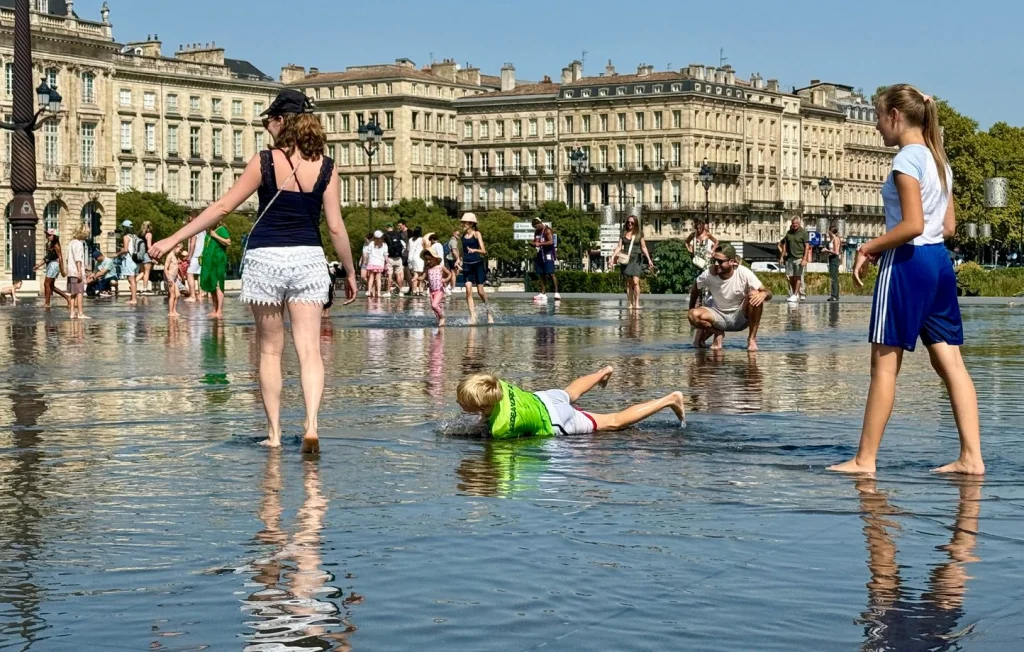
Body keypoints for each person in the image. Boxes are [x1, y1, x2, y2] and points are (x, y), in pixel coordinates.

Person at [150, 88, 357, 455]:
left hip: (266, 259)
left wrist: (172, 238)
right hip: (308, 258)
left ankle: (275, 434)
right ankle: (311, 424)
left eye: (269, 122)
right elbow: (337, 228)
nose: (267, 128)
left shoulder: (264, 161)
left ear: (281, 122)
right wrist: (351, 272)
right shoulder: (326, 167)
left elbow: (222, 208)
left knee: (269, 352)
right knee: (309, 351)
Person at [828, 84, 983, 476]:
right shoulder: (939, 161)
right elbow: (947, 227)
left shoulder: (905, 161)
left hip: (907, 264)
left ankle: (864, 460)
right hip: (939, 265)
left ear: (895, 115)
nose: (878, 128)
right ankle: (971, 457)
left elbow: (911, 225)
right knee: (952, 364)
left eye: (879, 118)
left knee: (884, 367)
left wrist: (869, 248)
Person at [456, 366, 685, 439]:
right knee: (570, 393)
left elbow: (489, 427)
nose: (458, 403)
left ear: (479, 406)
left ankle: (669, 399)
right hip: (545, 398)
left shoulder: (500, 428)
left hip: (558, 421)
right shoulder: (497, 386)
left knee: (613, 421)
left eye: (462, 402)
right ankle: (603, 371)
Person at [687, 243, 771, 351]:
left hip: (740, 317)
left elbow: (768, 292)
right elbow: (695, 290)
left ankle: (752, 339)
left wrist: (763, 294)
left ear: (732, 262)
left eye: (720, 261)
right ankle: (718, 333)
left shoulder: (743, 272)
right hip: (718, 317)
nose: (716, 264)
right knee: (692, 315)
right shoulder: (708, 274)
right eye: (714, 260)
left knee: (754, 294)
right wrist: (691, 309)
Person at [607, 214, 653, 311]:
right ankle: (630, 303)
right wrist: (612, 257)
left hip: (636, 259)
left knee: (635, 282)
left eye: (632, 222)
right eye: (628, 222)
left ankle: (636, 303)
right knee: (628, 283)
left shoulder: (639, 233)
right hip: (626, 260)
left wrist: (649, 259)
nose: (630, 224)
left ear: (635, 223)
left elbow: (643, 247)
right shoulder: (623, 233)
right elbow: (619, 247)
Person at [458, 213, 491, 321]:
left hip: (477, 265)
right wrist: (459, 259)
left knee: (480, 292)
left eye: (465, 222)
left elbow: (484, 251)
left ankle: (489, 312)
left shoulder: (477, 234)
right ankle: (472, 315)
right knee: (468, 291)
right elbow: (463, 251)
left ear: (471, 224)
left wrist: (475, 250)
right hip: (467, 266)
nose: (463, 224)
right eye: (462, 222)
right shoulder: (463, 236)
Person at [199, 220, 231, 318]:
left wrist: (216, 236)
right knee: (211, 285)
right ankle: (214, 309)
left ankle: (219, 310)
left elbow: (228, 242)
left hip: (218, 261)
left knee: (218, 284)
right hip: (209, 262)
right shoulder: (209, 232)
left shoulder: (221, 230)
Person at [34, 228, 70, 309]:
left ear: (55, 236)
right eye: (47, 234)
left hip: (54, 265)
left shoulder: (56, 246)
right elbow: (47, 257)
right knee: (51, 286)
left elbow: (60, 258)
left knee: (46, 283)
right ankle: (67, 298)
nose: (47, 236)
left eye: (49, 235)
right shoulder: (49, 245)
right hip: (50, 264)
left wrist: (62, 270)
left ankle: (47, 303)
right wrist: (38, 265)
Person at [779, 217, 810, 303]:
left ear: (799, 223)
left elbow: (807, 246)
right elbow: (784, 246)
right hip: (790, 258)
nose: (794, 225)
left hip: (799, 257)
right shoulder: (789, 233)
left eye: (796, 223)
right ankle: (794, 294)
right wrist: (782, 256)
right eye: (793, 223)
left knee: (798, 276)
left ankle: (796, 294)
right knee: (791, 277)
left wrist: (805, 258)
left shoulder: (803, 233)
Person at [531, 216, 560, 302]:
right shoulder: (537, 232)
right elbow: (535, 241)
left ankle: (556, 292)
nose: (536, 228)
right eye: (535, 227)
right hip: (540, 254)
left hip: (548, 254)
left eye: (537, 226)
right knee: (541, 274)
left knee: (551, 274)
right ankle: (543, 293)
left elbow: (551, 242)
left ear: (540, 223)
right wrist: (533, 243)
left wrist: (540, 244)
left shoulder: (547, 230)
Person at [422, 249, 454, 327]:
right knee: (434, 308)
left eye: (429, 259)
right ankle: (440, 321)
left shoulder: (440, 267)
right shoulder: (428, 269)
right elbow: (422, 277)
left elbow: (450, 273)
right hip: (431, 291)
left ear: (435, 258)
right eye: (426, 260)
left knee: (434, 305)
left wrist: (446, 279)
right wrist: (416, 278)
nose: (428, 261)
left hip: (439, 290)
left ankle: (442, 317)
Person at [64, 224, 90, 319]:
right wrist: (79, 271)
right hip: (76, 272)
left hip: (71, 272)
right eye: (86, 233)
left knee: (72, 293)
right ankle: (80, 313)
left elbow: (67, 258)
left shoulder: (71, 243)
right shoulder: (79, 244)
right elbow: (78, 259)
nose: (87, 235)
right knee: (79, 293)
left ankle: (72, 313)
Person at [117, 219, 140, 305]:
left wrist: (118, 253)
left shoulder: (126, 237)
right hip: (136, 260)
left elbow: (126, 250)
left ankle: (133, 299)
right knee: (133, 280)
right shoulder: (135, 237)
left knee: (131, 280)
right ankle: (133, 297)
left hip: (129, 260)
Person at [185, 211, 204, 302]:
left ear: (193, 218)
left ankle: (192, 296)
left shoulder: (194, 228)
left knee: (189, 274)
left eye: (189, 217)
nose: (188, 219)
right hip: (202, 255)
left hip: (195, 256)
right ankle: (200, 294)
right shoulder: (203, 229)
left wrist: (189, 256)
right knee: (200, 275)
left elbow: (192, 243)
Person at [383, 223, 406, 295]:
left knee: (390, 275)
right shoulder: (398, 234)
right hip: (398, 257)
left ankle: (388, 292)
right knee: (398, 274)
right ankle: (401, 292)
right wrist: (401, 253)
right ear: (392, 227)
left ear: (386, 228)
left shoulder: (385, 235)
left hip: (390, 257)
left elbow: (384, 247)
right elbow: (404, 245)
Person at [365, 230, 388, 298]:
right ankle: (378, 292)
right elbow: (385, 255)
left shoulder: (372, 243)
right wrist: (387, 263)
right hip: (380, 263)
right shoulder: (384, 245)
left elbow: (368, 253)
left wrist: (366, 261)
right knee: (378, 278)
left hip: (372, 262)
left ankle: (369, 291)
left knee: (371, 277)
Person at [165, 242, 184, 317]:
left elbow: (175, 267)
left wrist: (178, 275)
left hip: (175, 278)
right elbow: (165, 268)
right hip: (170, 277)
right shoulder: (169, 256)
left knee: (178, 294)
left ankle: (174, 310)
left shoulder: (174, 256)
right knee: (172, 295)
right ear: (176, 247)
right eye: (180, 249)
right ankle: (170, 311)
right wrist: (168, 278)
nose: (180, 251)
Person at [407, 226, 425, 296]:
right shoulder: (421, 239)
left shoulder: (410, 239)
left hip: (410, 258)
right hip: (418, 258)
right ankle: (415, 290)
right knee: (417, 275)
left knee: (417, 274)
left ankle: (419, 289)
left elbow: (408, 249)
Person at [826, 225, 842, 302]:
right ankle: (834, 295)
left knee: (834, 277)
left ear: (830, 231)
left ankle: (834, 295)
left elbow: (836, 252)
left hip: (834, 259)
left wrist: (826, 250)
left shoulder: (835, 239)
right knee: (833, 277)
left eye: (828, 231)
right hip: (832, 258)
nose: (827, 232)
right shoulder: (833, 239)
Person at [138, 220, 155, 293]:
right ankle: (145, 288)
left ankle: (134, 283)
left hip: (140, 254)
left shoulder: (140, 235)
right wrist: (152, 254)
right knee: (147, 272)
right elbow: (149, 245)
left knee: (142, 272)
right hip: (146, 254)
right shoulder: (149, 234)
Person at [445, 228, 460, 295]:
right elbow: (454, 251)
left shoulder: (453, 240)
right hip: (452, 258)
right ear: (454, 233)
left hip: (451, 258)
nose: (459, 235)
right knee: (454, 273)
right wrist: (457, 258)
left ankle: (449, 286)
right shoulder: (453, 241)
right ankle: (453, 287)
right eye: (457, 234)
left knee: (455, 272)